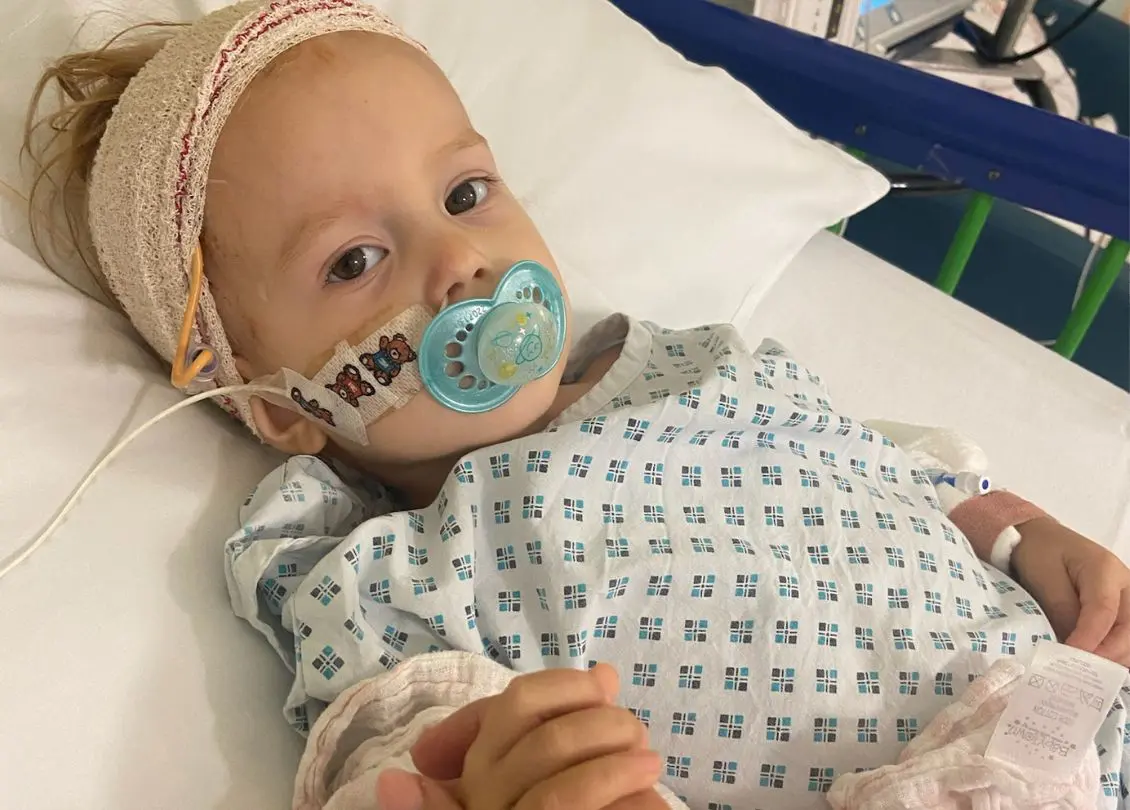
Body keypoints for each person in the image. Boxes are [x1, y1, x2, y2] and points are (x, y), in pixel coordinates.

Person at [23, 1, 1130, 807]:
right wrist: (489, 779)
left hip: (1080, 703)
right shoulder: (381, 568)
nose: (459, 258)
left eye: (464, 193)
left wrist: (1019, 531)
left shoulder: (700, 364)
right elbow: (385, 745)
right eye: (355, 260)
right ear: (275, 405)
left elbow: (892, 468)